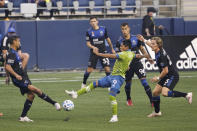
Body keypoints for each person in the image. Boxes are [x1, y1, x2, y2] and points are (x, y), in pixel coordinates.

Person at [66, 40, 145, 122]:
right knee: (94, 84)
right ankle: (76, 94)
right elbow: (137, 55)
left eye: (122, 46)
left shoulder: (123, 54)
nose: (120, 47)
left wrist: (98, 54)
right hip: (112, 76)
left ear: (126, 47)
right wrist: (145, 55)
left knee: (112, 95)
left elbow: (110, 56)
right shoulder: (131, 53)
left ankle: (115, 117)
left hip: (118, 78)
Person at [5, 35, 61, 122]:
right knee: (35, 89)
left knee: (31, 95)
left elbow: (7, 64)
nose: (19, 42)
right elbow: (8, 66)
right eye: (18, 41)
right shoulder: (12, 53)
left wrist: (7, 76)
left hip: (22, 76)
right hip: (18, 79)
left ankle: (23, 117)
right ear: (14, 42)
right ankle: (54, 103)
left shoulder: (14, 52)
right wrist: (15, 75)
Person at [137, 35, 192, 117]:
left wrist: (158, 78)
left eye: (153, 44)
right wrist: (144, 40)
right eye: (151, 43)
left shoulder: (161, 56)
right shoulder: (158, 50)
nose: (151, 45)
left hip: (172, 75)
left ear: (158, 45)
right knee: (155, 93)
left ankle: (186, 95)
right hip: (166, 76)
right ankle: (157, 112)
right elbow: (150, 44)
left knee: (165, 93)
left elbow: (165, 71)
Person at [116, 23, 153, 106]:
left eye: (125, 28)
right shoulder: (119, 41)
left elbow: (142, 49)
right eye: (122, 29)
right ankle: (128, 99)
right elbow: (119, 55)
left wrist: (148, 57)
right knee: (128, 84)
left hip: (137, 63)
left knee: (144, 82)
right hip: (127, 66)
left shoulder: (135, 38)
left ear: (129, 29)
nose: (124, 31)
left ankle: (152, 101)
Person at [81, 16, 115, 89]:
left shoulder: (103, 29)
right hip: (94, 53)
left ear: (97, 21)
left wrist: (112, 48)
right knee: (89, 70)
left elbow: (108, 39)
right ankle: (83, 83)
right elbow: (88, 43)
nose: (93, 23)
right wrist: (93, 47)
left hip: (103, 52)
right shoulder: (89, 31)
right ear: (90, 23)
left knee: (107, 69)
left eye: (94, 21)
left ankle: (109, 85)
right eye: (92, 21)